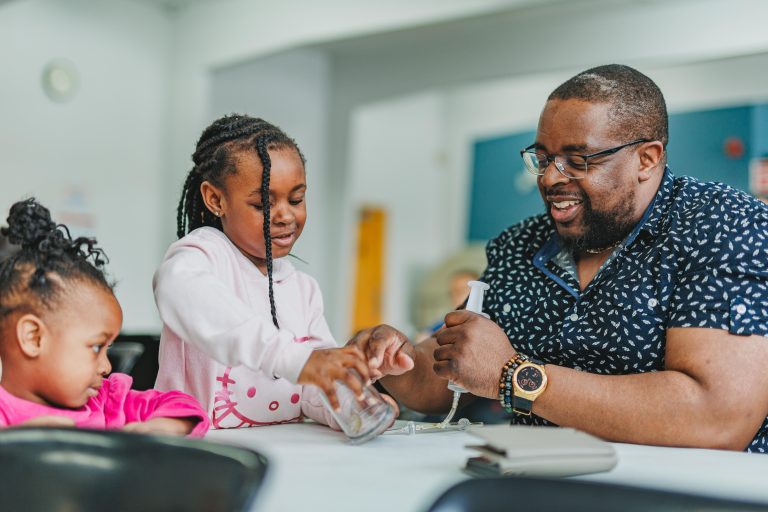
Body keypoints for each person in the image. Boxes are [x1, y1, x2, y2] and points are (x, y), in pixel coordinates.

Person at [349, 64, 768, 452]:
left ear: (647, 158)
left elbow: (718, 418)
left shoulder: (723, 225)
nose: (550, 177)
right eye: (544, 158)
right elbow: (448, 376)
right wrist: (392, 358)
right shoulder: (521, 245)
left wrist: (514, 377)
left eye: (577, 159)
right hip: (542, 484)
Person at [154, 114, 378, 429]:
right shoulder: (202, 257)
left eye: (297, 199)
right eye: (263, 204)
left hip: (281, 455)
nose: (286, 215)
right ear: (216, 199)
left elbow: (315, 388)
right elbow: (179, 288)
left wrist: (354, 406)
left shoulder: (303, 289)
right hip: (203, 459)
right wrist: (294, 358)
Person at [0, 199, 209, 436]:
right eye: (96, 346)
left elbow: (182, 406)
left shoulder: (108, 400)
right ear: (34, 337)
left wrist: (166, 426)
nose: (107, 367)